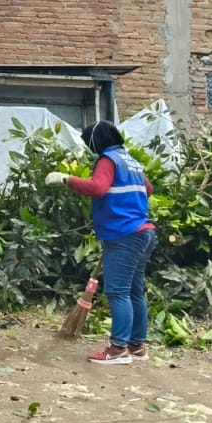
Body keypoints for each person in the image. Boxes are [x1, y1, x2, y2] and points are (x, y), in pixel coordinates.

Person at [48, 121, 156, 365]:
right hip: (143, 232)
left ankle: (118, 349)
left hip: (124, 234)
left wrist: (67, 179)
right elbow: (148, 189)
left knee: (118, 291)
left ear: (96, 141)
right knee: (134, 291)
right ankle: (136, 346)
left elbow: (97, 188)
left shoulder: (108, 160)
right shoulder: (130, 161)